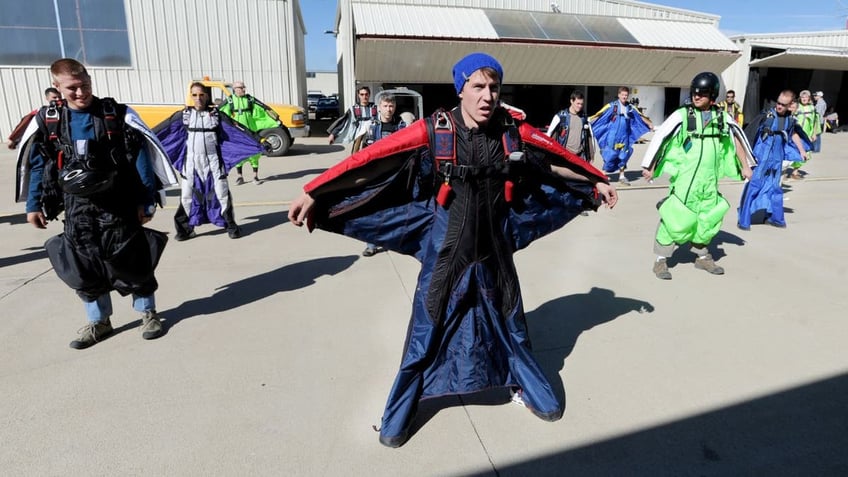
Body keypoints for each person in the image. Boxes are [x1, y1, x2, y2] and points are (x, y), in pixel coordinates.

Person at [288, 52, 617, 447]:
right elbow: (371, 163)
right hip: (446, 251)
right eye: (478, 87)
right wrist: (316, 190)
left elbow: (555, 160)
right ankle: (400, 414)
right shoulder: (433, 131)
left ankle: (526, 388)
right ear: (460, 88)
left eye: (494, 88)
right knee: (425, 329)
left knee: (512, 322)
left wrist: (595, 180)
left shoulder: (513, 132)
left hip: (495, 250)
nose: (487, 96)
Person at [15, 58, 179, 349]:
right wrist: (33, 204)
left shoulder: (115, 114)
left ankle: (148, 313)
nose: (81, 92)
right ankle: (100, 321)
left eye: (85, 85)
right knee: (84, 265)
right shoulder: (49, 120)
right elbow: (38, 164)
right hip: (77, 207)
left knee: (132, 260)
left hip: (119, 203)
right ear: (57, 87)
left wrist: (146, 199)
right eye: (72, 88)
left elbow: (138, 155)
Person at [641, 72, 754, 280]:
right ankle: (660, 261)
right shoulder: (683, 115)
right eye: (694, 93)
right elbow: (663, 136)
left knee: (708, 218)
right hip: (686, 179)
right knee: (676, 217)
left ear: (712, 95)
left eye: (702, 93)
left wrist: (745, 166)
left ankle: (702, 257)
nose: (696, 97)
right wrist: (650, 165)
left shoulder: (722, 117)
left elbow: (736, 137)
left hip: (709, 180)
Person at [154, 82, 264, 241]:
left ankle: (231, 227)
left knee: (222, 194)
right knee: (186, 197)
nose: (198, 98)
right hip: (191, 164)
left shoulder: (216, 115)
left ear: (207, 96)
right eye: (194, 95)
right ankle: (185, 230)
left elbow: (238, 129)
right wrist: (141, 137)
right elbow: (161, 130)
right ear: (190, 96)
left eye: (201, 95)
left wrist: (260, 141)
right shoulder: (184, 116)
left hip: (213, 163)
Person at [738, 90, 810, 230]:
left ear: (790, 105)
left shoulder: (789, 119)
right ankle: (744, 220)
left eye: (783, 105)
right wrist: (745, 162)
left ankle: (775, 218)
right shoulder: (767, 117)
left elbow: (793, 133)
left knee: (775, 188)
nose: (779, 106)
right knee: (754, 185)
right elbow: (749, 135)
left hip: (777, 158)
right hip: (762, 158)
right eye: (778, 103)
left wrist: (801, 150)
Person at [360, 93, 408, 257]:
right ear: (379, 107)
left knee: (395, 211)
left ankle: (394, 241)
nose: (389, 109)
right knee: (372, 210)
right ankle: (371, 245)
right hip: (376, 175)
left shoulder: (401, 126)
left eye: (391, 106)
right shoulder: (370, 126)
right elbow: (362, 152)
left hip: (396, 175)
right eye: (385, 106)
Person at [218, 80, 280, 185]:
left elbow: (263, 108)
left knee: (255, 153)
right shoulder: (229, 101)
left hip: (252, 131)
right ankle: (239, 177)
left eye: (243, 87)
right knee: (238, 153)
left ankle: (255, 177)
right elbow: (221, 113)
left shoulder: (250, 99)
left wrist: (275, 119)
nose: (243, 89)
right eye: (241, 88)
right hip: (238, 133)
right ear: (235, 89)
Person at [589, 86, 653, 185]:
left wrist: (649, 123)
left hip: (625, 136)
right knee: (610, 154)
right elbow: (599, 114)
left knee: (624, 155)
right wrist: (588, 121)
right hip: (613, 135)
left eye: (626, 95)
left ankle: (622, 177)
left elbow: (640, 115)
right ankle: (603, 175)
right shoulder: (612, 106)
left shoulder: (630, 107)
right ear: (619, 95)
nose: (624, 97)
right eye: (622, 95)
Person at [546, 90, 596, 163]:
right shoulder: (561, 116)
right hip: (564, 155)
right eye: (578, 103)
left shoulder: (584, 118)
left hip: (580, 156)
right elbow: (549, 134)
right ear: (571, 101)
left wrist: (591, 156)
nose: (580, 106)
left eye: (581, 104)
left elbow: (589, 137)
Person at [791, 90, 820, 179]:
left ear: (809, 98)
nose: (804, 99)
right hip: (797, 134)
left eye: (806, 97)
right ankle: (794, 172)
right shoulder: (797, 107)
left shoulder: (812, 108)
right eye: (802, 97)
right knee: (796, 151)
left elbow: (816, 121)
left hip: (808, 134)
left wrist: (814, 133)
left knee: (806, 153)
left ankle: (795, 171)